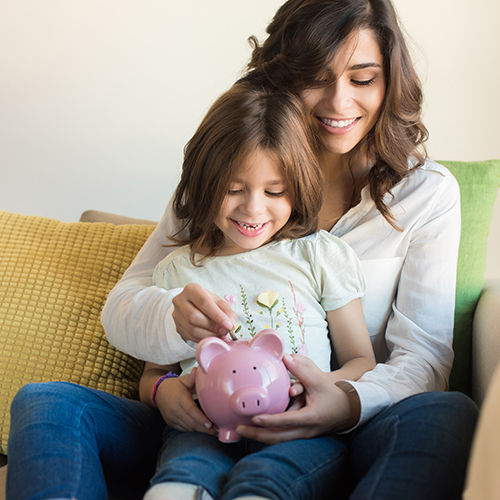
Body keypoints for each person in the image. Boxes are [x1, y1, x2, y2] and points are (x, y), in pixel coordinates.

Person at [7, 0, 478, 499]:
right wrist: (168, 353)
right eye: (316, 76)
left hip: (349, 429)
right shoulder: (220, 181)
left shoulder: (426, 195)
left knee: (447, 413)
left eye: (362, 79)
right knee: (46, 402)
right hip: (200, 428)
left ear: (390, 82)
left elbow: (423, 358)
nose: (340, 103)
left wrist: (344, 402)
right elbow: (127, 304)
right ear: (281, 76)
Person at [138, 82, 376, 500]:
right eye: (233, 189)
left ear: (298, 187)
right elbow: (154, 375)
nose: (253, 208)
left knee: (267, 482)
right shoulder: (176, 271)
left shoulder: (318, 255)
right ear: (202, 182)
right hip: (205, 430)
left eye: (274, 191)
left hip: (300, 428)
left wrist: (325, 388)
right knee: (183, 473)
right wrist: (164, 393)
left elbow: (361, 359)